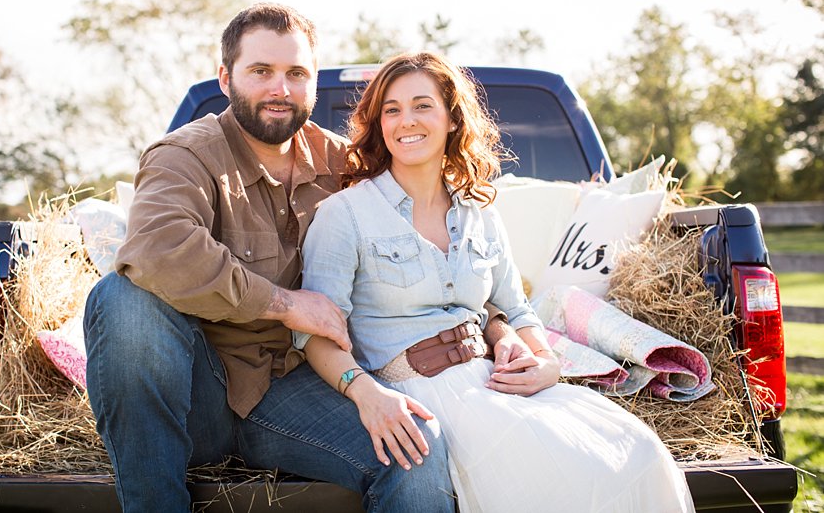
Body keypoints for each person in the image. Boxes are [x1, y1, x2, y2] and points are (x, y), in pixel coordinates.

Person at [83, 4, 454, 513]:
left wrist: (500, 324)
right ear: (225, 77)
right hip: (198, 394)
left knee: (415, 451)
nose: (280, 89)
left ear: (314, 83)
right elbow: (157, 248)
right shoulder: (184, 155)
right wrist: (284, 304)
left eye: (296, 74)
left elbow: (431, 231)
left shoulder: (345, 165)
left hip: (299, 385)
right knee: (121, 298)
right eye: (261, 71)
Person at [297, 51, 696, 512]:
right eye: (392, 109)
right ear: (379, 125)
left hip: (489, 383)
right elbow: (315, 332)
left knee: (637, 449)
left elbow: (517, 308)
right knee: (553, 474)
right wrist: (366, 394)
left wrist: (545, 361)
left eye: (422, 105)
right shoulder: (344, 214)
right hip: (413, 392)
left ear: (451, 118)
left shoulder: (479, 212)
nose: (406, 120)